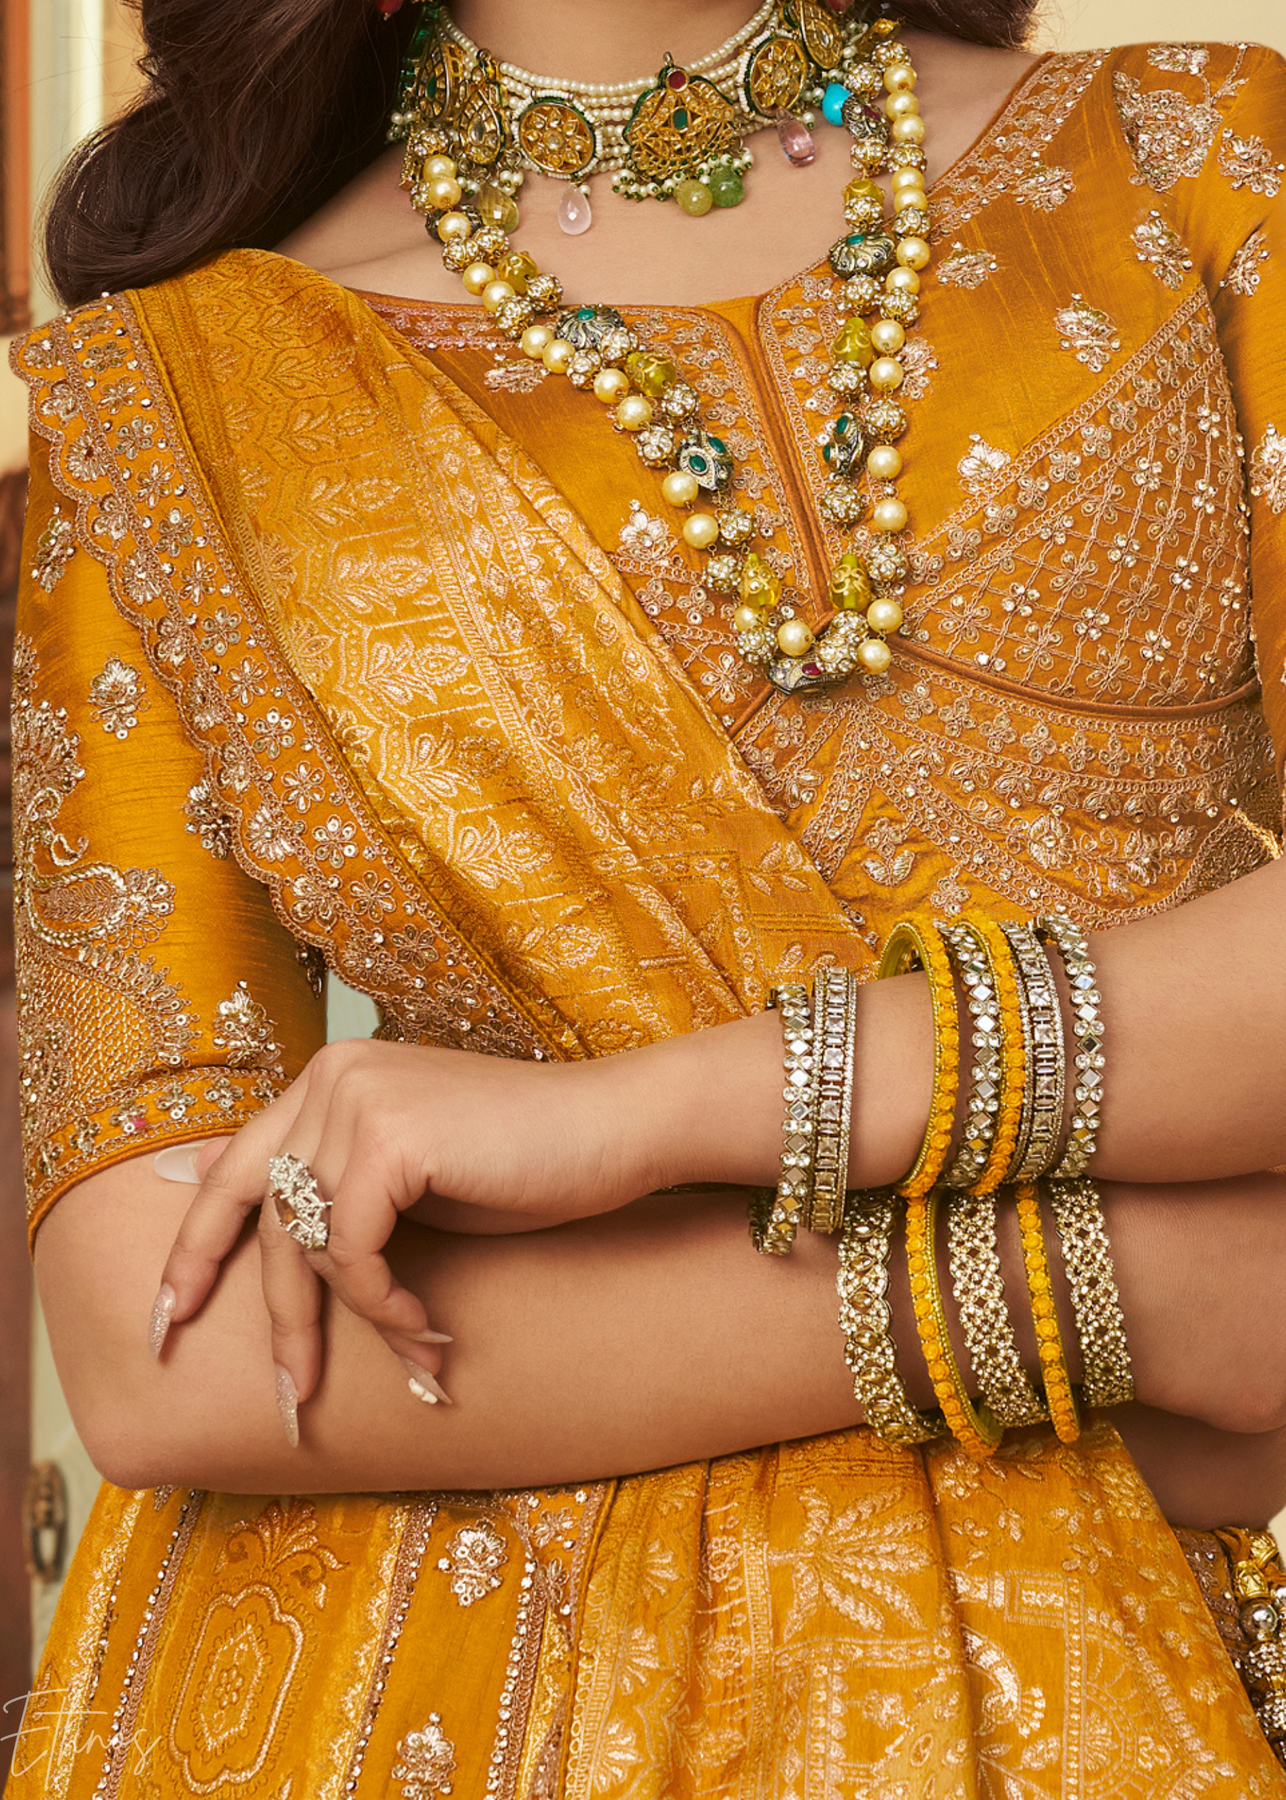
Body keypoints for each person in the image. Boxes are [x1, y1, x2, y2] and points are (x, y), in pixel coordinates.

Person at [10, 0, 1286, 1789]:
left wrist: (656, 1115)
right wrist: (1106, 1284)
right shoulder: (178, 394)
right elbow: (167, 1339)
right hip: (476, 1693)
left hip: (1155, 1656)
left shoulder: (1195, 161)